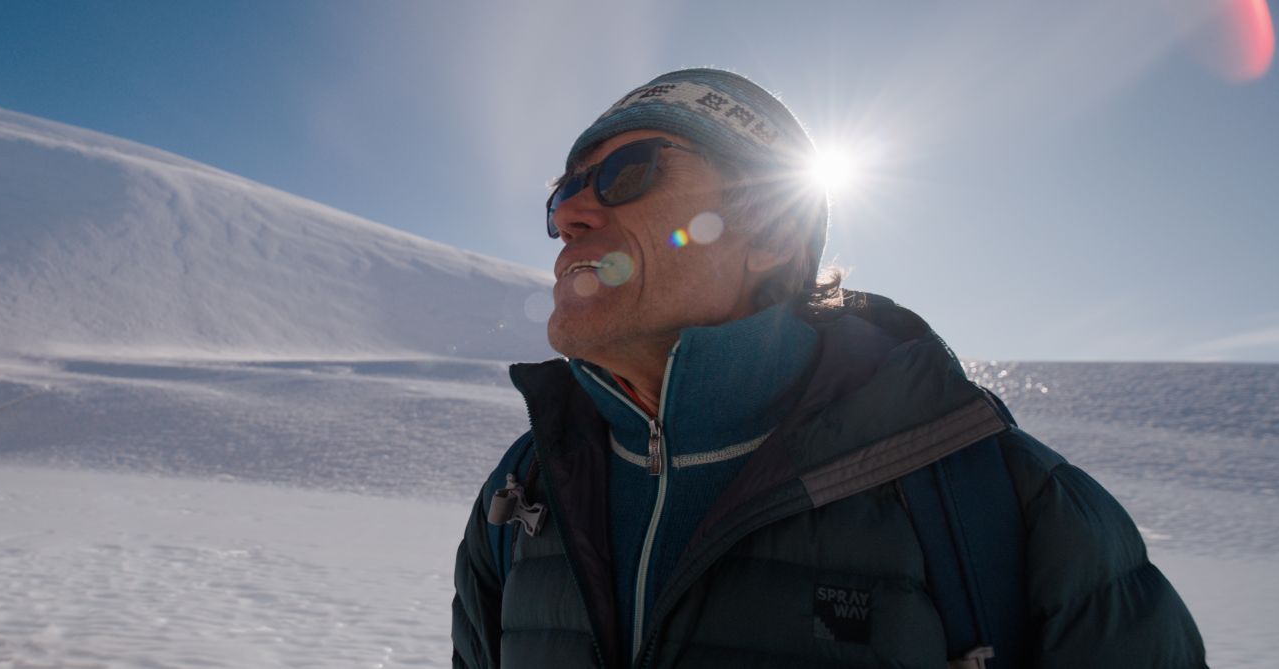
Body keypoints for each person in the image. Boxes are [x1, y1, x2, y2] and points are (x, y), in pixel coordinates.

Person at [450, 68, 1205, 668]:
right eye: (564, 191)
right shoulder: (520, 496)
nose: (572, 214)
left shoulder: (1012, 507)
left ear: (771, 233)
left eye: (627, 172)